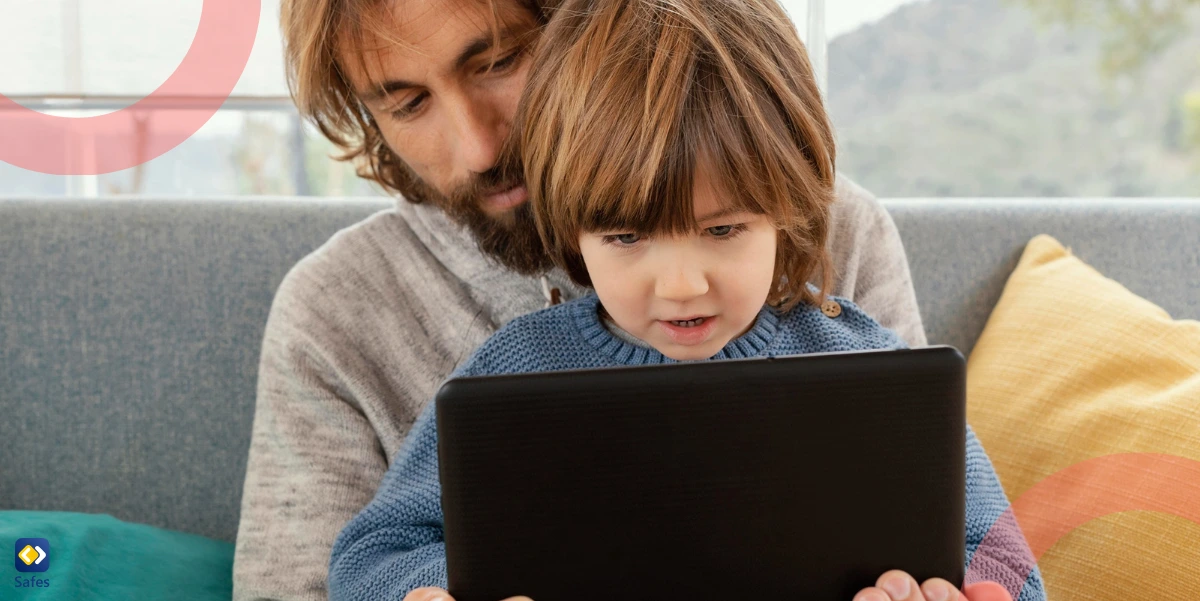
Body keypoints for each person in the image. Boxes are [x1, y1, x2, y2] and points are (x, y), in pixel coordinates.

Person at [324, 1, 1046, 601]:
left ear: (789, 206)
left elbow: (1007, 563)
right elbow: (372, 553)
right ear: (571, 228)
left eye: (723, 229)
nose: (680, 285)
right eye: (627, 236)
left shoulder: (867, 365)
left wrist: (970, 591)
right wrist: (424, 591)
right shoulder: (511, 372)